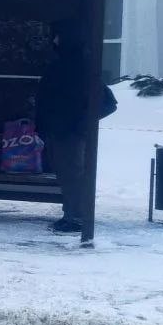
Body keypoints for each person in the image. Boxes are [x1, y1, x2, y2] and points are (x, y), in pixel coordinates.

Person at [35, 21, 117, 234]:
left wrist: (81, 123)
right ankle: (71, 214)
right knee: (68, 174)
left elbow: (108, 103)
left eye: (57, 37)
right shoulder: (72, 65)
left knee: (72, 174)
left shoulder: (77, 67)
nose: (53, 41)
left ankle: (76, 217)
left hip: (68, 131)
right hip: (62, 129)